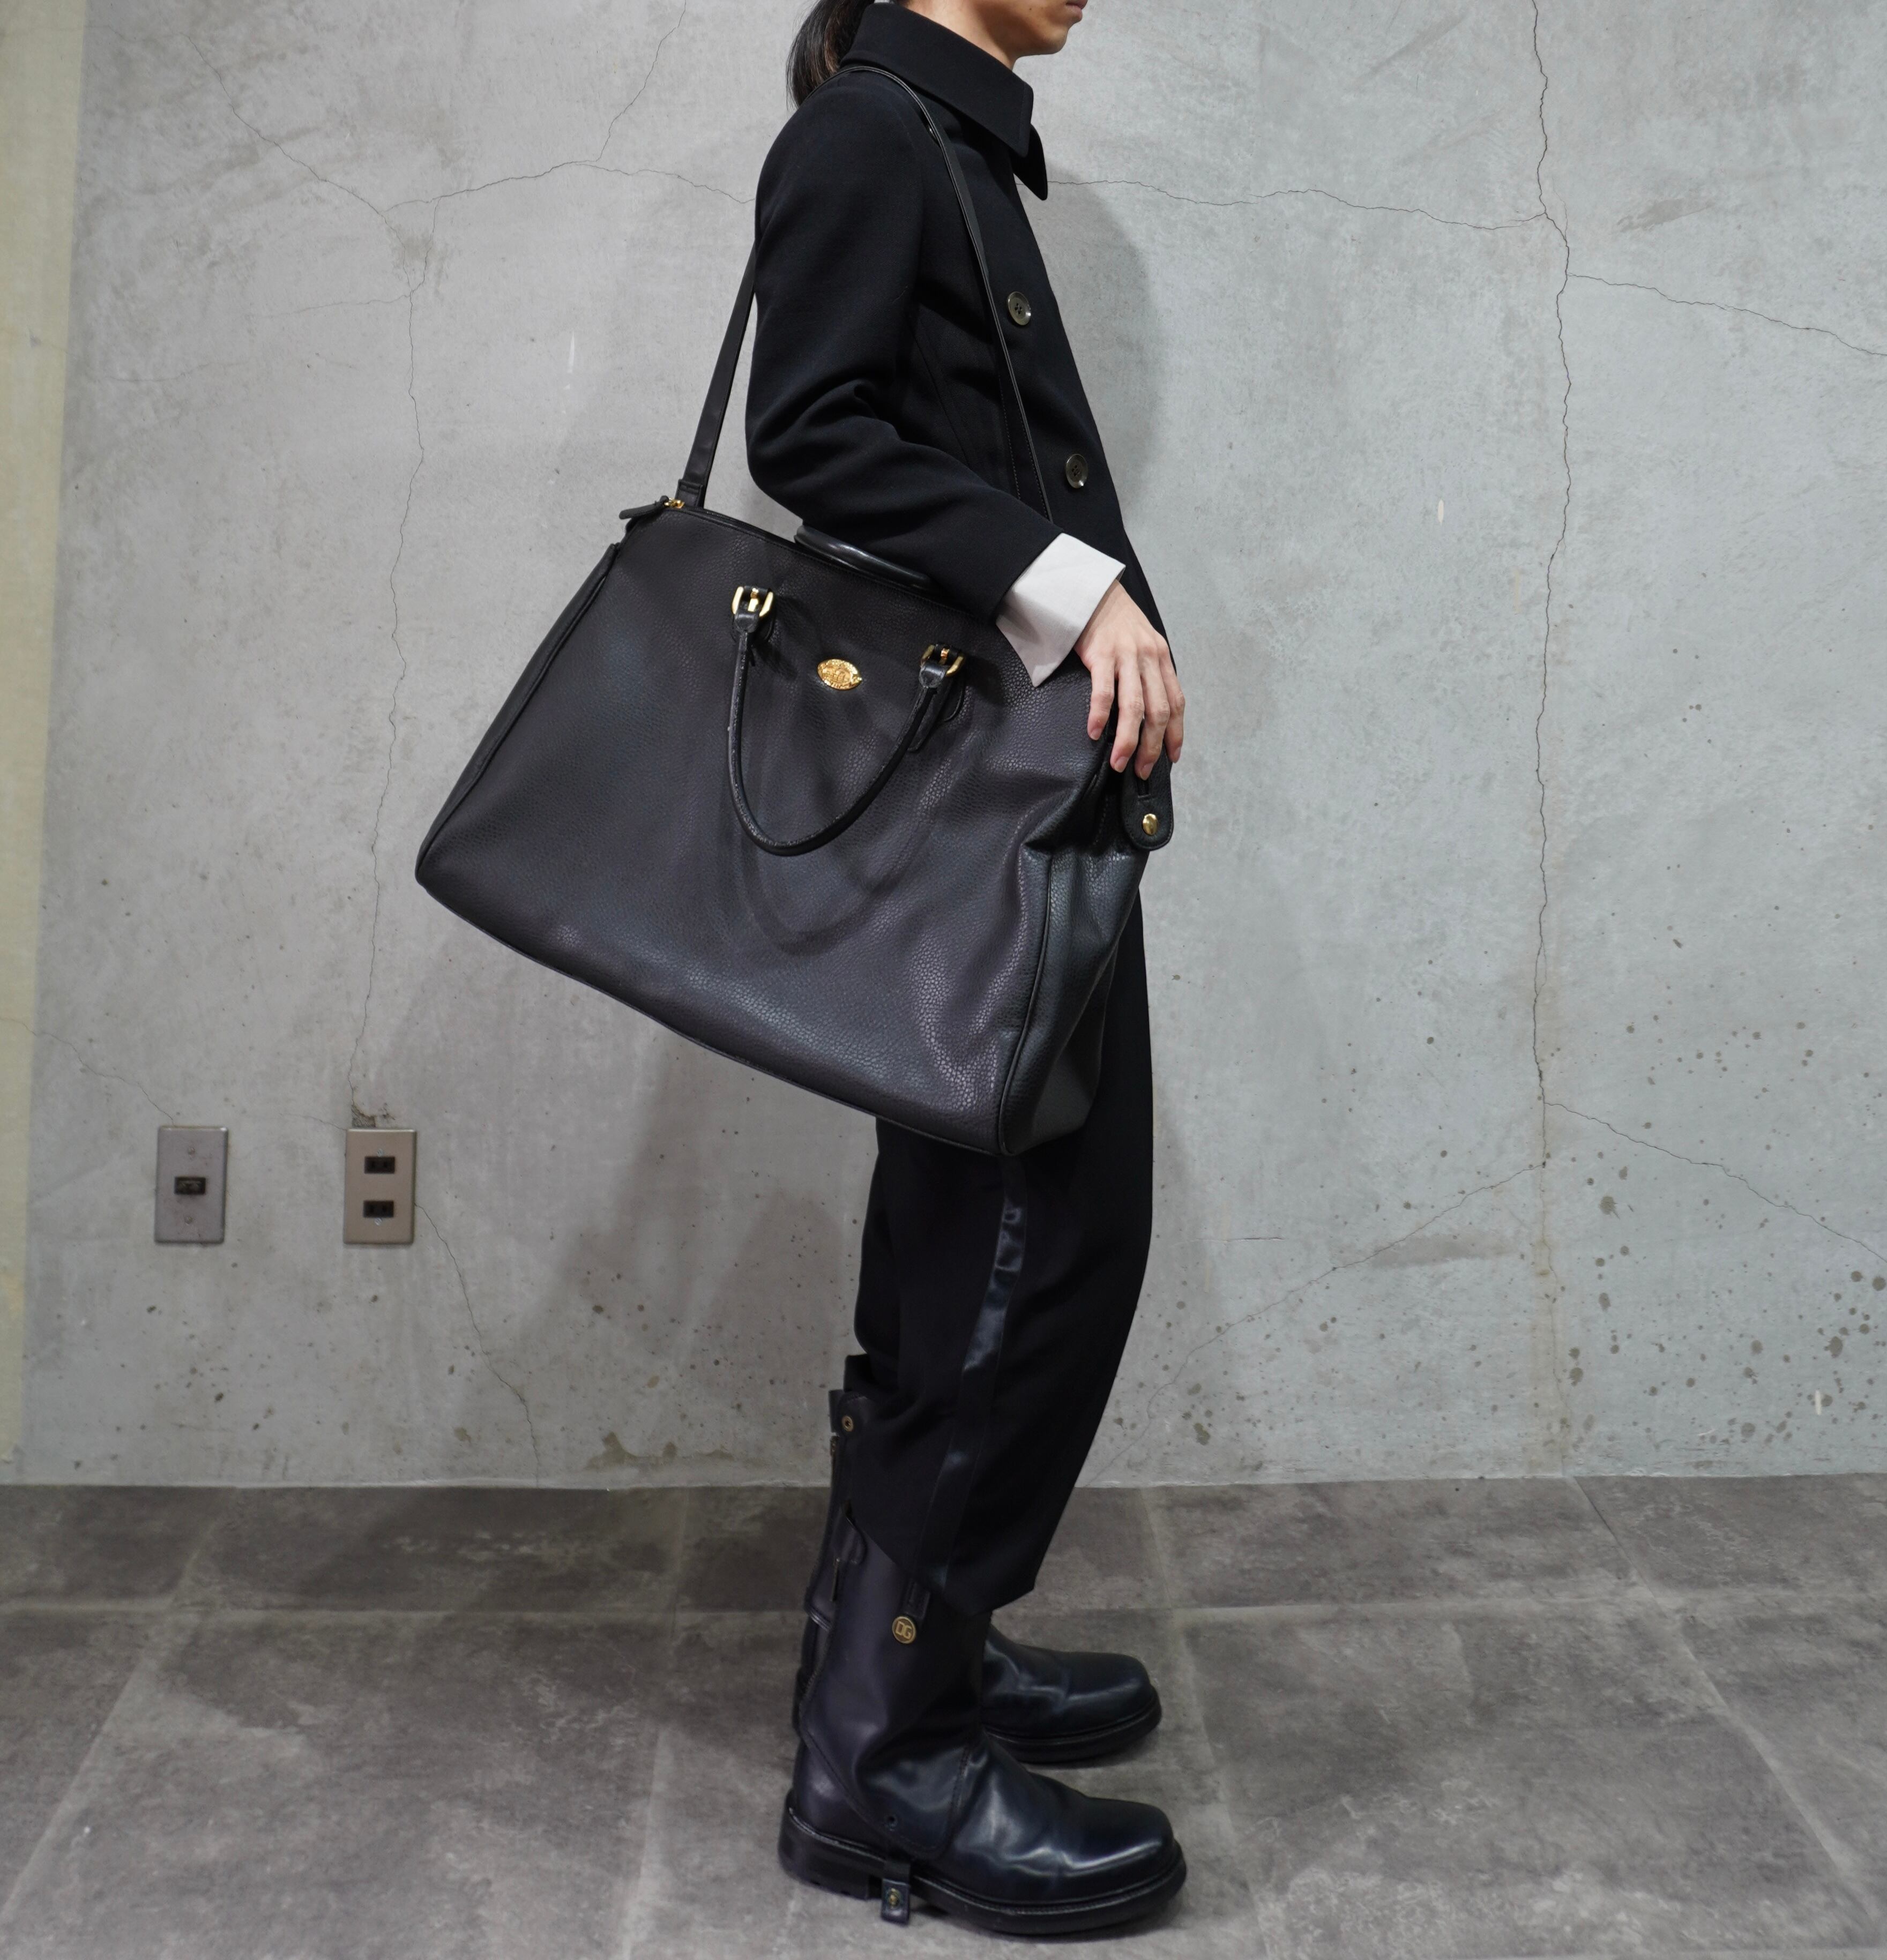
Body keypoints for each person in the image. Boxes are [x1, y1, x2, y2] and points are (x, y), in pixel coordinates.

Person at [745, 0, 1188, 1934]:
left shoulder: (950, 140)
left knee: (970, 1243)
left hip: (1010, 799)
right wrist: (1077, 589)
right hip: (969, 806)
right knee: (1033, 1246)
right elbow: (807, 429)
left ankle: (905, 1647)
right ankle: (883, 1762)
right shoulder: (871, 136)